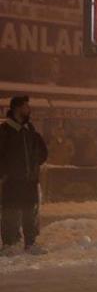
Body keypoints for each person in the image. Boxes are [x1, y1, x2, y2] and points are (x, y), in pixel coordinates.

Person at [0, 96, 48, 255]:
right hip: (12, 181)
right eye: (26, 107)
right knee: (10, 212)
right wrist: (4, 174)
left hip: (29, 181)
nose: (29, 109)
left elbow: (42, 152)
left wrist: (34, 167)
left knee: (30, 212)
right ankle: (10, 243)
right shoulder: (5, 130)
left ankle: (30, 242)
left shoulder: (30, 131)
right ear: (16, 109)